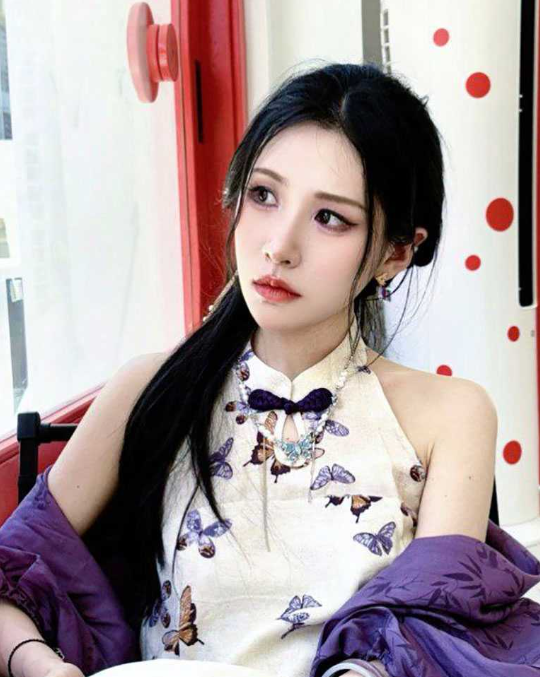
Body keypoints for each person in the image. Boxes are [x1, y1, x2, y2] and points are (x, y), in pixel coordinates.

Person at [1, 60, 498, 677]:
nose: (278, 246)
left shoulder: (451, 413)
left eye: (330, 217)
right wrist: (43, 666)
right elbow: (11, 572)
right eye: (264, 195)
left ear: (395, 253)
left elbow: (433, 629)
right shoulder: (150, 389)